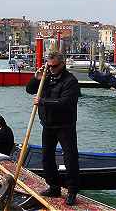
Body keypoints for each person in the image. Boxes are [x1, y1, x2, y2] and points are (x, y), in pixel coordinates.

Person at [26, 51, 80, 205]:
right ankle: (54, 187)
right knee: (46, 158)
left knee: (70, 158)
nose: (51, 69)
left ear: (62, 64)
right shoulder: (45, 77)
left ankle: (72, 191)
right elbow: (29, 90)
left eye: (54, 66)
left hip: (65, 125)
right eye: (49, 66)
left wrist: (43, 101)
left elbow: (64, 103)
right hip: (48, 125)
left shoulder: (71, 81)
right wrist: (36, 78)